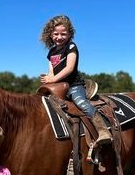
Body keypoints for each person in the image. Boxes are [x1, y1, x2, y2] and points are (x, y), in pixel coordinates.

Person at [40, 14, 112, 146]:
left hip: (73, 85)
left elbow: (69, 68)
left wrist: (53, 78)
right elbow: (51, 70)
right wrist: (48, 79)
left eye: (63, 34)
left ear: (69, 34)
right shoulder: (51, 52)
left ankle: (103, 130)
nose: (59, 37)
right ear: (50, 34)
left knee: (81, 103)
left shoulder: (71, 47)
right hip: (59, 86)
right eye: (56, 34)